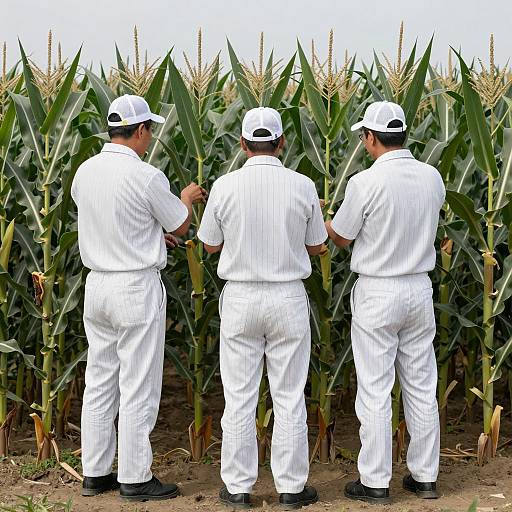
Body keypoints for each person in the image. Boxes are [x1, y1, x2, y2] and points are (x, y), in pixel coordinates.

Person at [72, 94, 207, 501]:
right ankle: (135, 477)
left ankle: (95, 474)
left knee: (99, 380)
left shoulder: (84, 172)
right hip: (134, 287)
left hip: (97, 286)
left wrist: (150, 234)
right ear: (142, 130)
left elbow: (111, 220)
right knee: (138, 384)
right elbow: (182, 224)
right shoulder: (146, 176)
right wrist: (185, 198)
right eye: (150, 130)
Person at [198, 107, 326, 509]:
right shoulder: (302, 185)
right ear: (282, 142)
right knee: (288, 395)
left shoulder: (224, 186)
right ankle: (291, 488)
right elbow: (316, 243)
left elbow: (209, 244)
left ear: (242, 143)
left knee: (239, 395)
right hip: (287, 296)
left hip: (240, 297)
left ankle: (238, 488)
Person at [326, 101, 445, 505]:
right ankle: (425, 477)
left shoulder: (364, 183)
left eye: (365, 137)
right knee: (421, 384)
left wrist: (326, 222)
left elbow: (341, 236)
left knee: (376, 389)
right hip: (418, 289)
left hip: (378, 291)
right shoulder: (432, 177)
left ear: (371, 138)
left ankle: (375, 482)